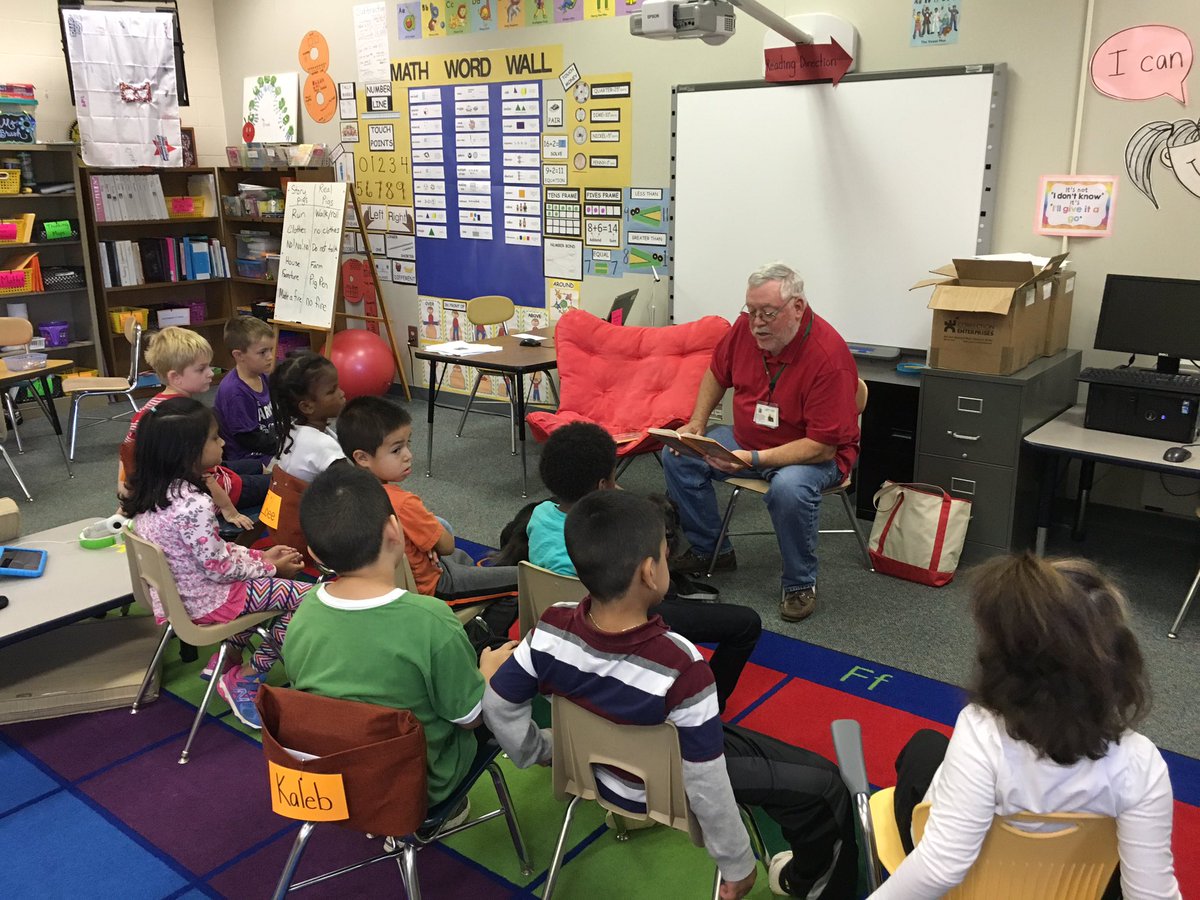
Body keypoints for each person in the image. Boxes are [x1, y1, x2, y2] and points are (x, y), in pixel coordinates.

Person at [484, 491, 858, 899]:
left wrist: (539, 750)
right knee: (824, 785)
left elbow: (498, 704)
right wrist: (736, 864)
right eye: (665, 554)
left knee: (780, 762)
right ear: (649, 572)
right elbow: (705, 781)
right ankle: (812, 883)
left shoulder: (550, 626)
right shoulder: (683, 665)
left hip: (589, 771)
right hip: (665, 785)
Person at [876, 554, 1179, 898]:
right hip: (1071, 888)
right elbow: (1152, 894)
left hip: (968, 889)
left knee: (924, 750)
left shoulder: (981, 732)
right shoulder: (1142, 763)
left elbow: (940, 865)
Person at [283, 464, 517, 809]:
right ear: (395, 530)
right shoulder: (430, 619)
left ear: (315, 555)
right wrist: (489, 673)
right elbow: (470, 718)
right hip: (424, 784)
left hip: (336, 778)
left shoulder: (302, 614)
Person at [515, 421, 761, 713]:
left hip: (561, 623)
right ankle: (710, 705)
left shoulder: (540, 514)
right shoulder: (620, 533)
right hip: (624, 620)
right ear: (604, 485)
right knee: (746, 624)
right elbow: (655, 584)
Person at [663, 262, 860, 624]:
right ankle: (713, 550)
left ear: (797, 307)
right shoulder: (745, 330)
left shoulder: (829, 358)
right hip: (748, 439)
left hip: (811, 454)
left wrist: (753, 458)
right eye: (750, 311)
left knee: (788, 489)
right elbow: (716, 373)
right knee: (678, 454)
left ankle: (799, 584)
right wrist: (696, 425)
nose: (756, 323)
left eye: (767, 313)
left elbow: (822, 446)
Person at [125, 397, 307, 729]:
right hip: (211, 602)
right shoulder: (193, 504)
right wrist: (271, 568)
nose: (223, 443)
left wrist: (257, 556)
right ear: (187, 451)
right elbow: (217, 568)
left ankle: (228, 658)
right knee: (307, 601)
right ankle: (247, 677)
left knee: (271, 590)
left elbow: (209, 553)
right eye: (214, 438)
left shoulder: (152, 495)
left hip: (182, 599)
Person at [337, 395, 519, 636]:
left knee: (462, 557)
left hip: (394, 582)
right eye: (396, 449)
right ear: (362, 458)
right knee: (520, 581)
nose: (408, 455)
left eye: (407, 444)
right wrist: (432, 537)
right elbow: (446, 545)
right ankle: (480, 640)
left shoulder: (350, 491)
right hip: (433, 588)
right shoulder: (403, 502)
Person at [119, 326, 268, 526]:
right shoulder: (182, 419)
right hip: (210, 489)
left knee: (257, 466)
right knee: (276, 485)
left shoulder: (154, 408)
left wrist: (128, 493)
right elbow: (203, 475)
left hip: (190, 479)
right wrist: (228, 510)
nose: (210, 373)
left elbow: (127, 452)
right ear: (175, 377)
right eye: (201, 369)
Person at [269, 352, 346, 483]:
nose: (342, 393)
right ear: (307, 407)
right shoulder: (323, 446)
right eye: (332, 391)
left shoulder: (291, 431)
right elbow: (353, 487)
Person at [214, 316, 276, 467]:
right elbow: (249, 439)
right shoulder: (235, 392)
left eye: (271, 350)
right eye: (262, 352)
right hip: (251, 458)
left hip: (268, 447)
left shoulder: (263, 376)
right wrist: (285, 444)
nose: (270, 357)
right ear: (239, 355)